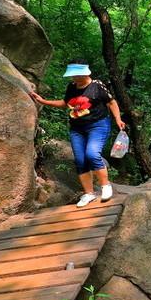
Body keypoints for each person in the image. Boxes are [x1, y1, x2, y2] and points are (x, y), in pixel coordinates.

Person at [30, 60, 126, 207]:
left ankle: (106, 186)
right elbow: (65, 104)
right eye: (72, 76)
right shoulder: (72, 87)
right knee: (80, 161)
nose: (72, 78)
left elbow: (111, 103)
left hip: (98, 125)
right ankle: (88, 194)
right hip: (77, 129)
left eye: (75, 75)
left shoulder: (97, 86)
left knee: (92, 154)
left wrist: (118, 119)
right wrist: (43, 101)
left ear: (83, 73)